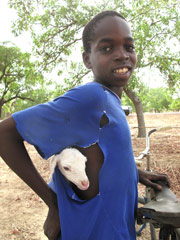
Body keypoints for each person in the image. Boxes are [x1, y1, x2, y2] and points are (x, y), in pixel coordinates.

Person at [0, 10, 170, 240]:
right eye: (107, 48)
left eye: (129, 47)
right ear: (87, 59)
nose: (122, 55)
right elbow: (4, 134)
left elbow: (100, 155)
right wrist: (54, 204)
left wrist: (134, 172)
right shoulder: (91, 98)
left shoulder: (109, 101)